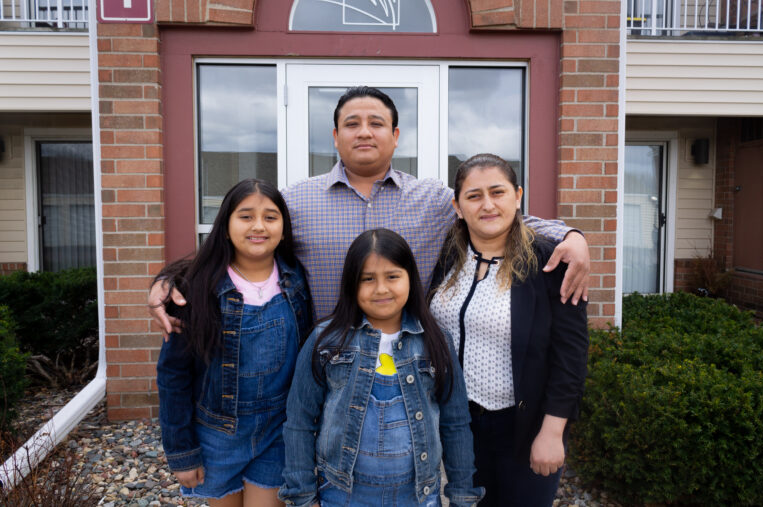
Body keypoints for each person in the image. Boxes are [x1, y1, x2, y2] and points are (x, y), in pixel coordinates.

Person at [148, 86, 590, 333]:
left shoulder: (434, 199)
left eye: (376, 123)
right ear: (334, 136)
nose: (364, 132)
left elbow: (498, 215)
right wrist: (170, 279)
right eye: (352, 124)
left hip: (409, 358)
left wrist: (572, 237)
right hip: (320, 357)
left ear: (395, 136)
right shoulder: (296, 200)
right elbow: (243, 243)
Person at [279, 229, 483, 507]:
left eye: (392, 276)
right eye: (367, 279)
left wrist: (461, 496)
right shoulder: (326, 341)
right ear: (351, 284)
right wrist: (303, 496)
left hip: (417, 497)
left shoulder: (437, 342)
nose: (381, 289)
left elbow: (456, 423)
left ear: (410, 277)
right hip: (341, 495)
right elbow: (299, 422)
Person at [428, 154, 589, 507]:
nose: (487, 205)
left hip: (524, 425)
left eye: (497, 192)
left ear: (517, 197)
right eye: (474, 196)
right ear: (457, 206)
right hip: (460, 425)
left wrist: (552, 432)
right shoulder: (448, 259)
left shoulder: (550, 263)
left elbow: (571, 358)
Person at [155, 179, 313, 507]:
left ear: (283, 229)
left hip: (277, 432)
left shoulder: (295, 280)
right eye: (245, 216)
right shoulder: (196, 289)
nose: (258, 226)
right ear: (226, 227)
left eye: (270, 217)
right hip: (216, 435)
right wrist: (181, 451)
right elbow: (173, 376)